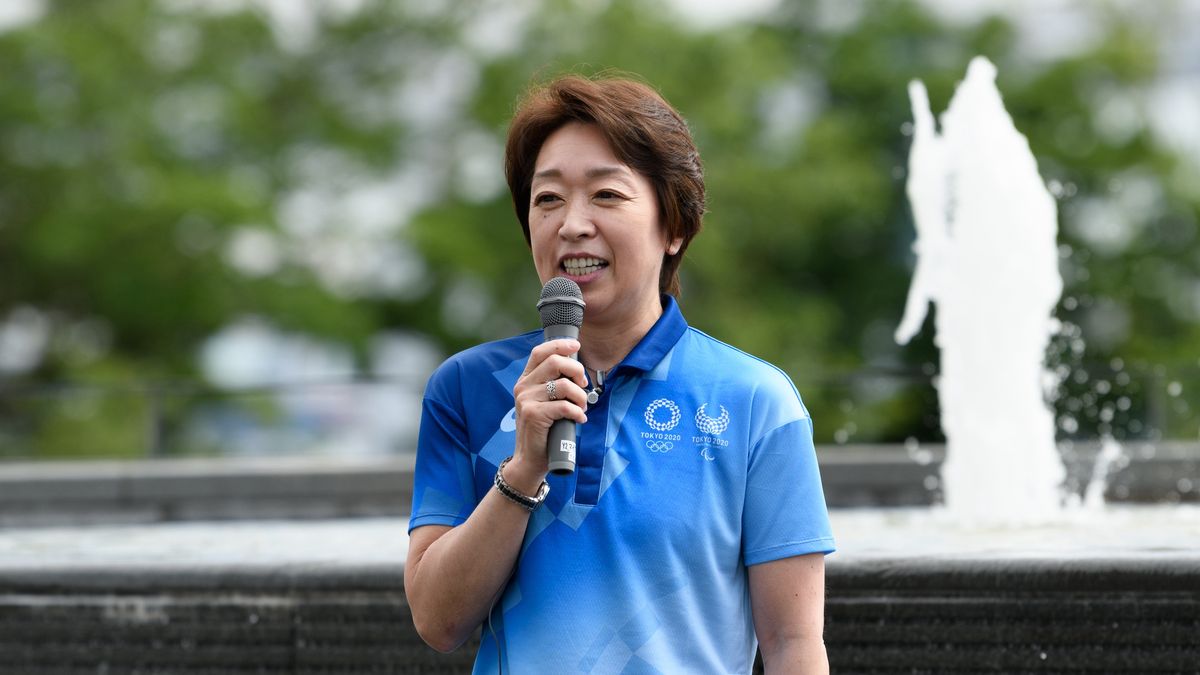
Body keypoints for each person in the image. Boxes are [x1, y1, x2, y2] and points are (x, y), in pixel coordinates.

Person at [405, 73, 835, 674]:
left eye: (606, 195)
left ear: (675, 225)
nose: (572, 223)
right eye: (547, 198)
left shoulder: (755, 401)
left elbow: (793, 644)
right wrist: (525, 468)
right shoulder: (466, 388)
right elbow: (437, 620)